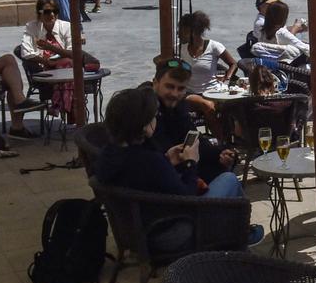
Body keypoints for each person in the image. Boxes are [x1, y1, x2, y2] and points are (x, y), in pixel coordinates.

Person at [93, 87, 263, 248]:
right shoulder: (149, 160)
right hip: (169, 235)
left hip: (133, 232)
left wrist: (167, 160)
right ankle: (240, 235)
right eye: (153, 117)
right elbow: (186, 198)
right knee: (229, 180)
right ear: (144, 125)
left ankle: (234, 232)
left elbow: (145, 177)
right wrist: (191, 163)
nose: (156, 120)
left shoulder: (108, 155)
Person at [146, 57, 237, 183]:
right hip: (162, 186)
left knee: (224, 170)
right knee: (230, 180)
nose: (174, 94)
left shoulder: (178, 106)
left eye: (181, 89)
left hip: (177, 177)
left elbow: (193, 138)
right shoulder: (146, 110)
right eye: (169, 86)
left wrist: (221, 154)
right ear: (155, 83)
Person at [178, 11, 238, 137]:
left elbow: (233, 64)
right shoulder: (179, 49)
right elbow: (161, 59)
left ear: (193, 31)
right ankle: (222, 141)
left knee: (234, 107)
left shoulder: (214, 46)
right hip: (190, 93)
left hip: (213, 92)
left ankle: (234, 137)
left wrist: (226, 78)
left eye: (182, 30)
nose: (179, 33)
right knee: (207, 106)